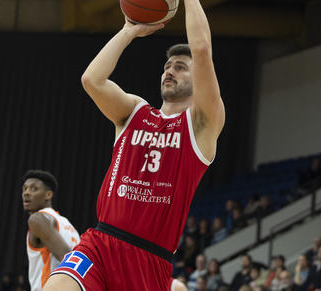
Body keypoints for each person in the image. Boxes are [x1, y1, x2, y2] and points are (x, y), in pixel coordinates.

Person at [44, 0, 224, 287]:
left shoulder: (201, 124)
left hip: (148, 259)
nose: (169, 71)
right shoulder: (134, 111)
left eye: (180, 67)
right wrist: (128, 30)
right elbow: (92, 80)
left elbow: (202, 50)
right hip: (101, 243)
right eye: (167, 66)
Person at [23, 170, 80, 291]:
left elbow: (69, 259)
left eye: (33, 189)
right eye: (24, 189)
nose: (26, 193)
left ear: (48, 195)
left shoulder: (37, 219)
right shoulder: (68, 224)